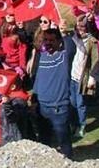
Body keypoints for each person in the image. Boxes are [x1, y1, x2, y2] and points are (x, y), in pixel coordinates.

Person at [31, 28, 75, 158]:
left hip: (58, 108)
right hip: (42, 108)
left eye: (51, 40)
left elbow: (71, 46)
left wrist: (64, 32)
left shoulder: (63, 57)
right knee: (44, 142)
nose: (48, 43)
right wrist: (34, 98)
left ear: (59, 42)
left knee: (64, 142)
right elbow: (39, 78)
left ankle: (69, 163)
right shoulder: (43, 56)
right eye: (46, 40)